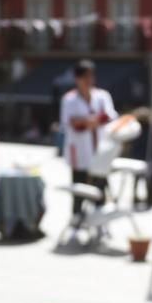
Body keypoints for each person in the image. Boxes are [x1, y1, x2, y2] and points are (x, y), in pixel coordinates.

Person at [59, 59, 116, 215]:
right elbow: (71, 123)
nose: (89, 81)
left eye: (91, 76)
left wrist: (87, 121)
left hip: (100, 151)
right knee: (79, 191)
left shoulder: (102, 96)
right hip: (80, 152)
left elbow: (109, 116)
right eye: (85, 77)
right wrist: (91, 121)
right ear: (78, 79)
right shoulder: (69, 99)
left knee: (100, 190)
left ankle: (100, 223)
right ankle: (77, 223)